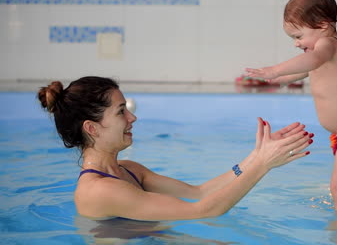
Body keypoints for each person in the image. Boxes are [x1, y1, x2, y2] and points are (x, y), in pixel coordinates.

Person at [37, 76, 314, 221]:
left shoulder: (129, 171)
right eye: (121, 112)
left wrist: (255, 157)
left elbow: (200, 193)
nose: (132, 118)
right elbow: (203, 210)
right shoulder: (99, 189)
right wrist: (262, 165)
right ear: (92, 128)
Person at [245, 0, 337, 227]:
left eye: (298, 36)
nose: (296, 43)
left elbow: (311, 60)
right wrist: (275, 81)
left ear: (322, 25)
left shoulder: (328, 45)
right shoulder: (319, 50)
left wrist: (275, 69)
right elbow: (304, 70)